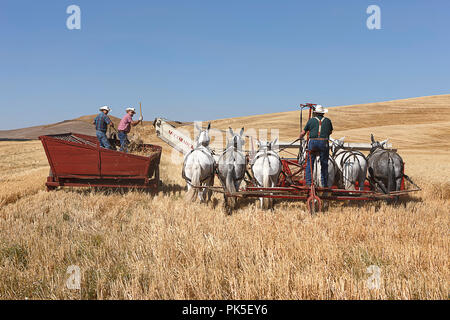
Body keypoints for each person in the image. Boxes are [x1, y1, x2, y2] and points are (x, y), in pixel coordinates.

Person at [299, 105, 333, 187]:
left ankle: (308, 182)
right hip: (323, 143)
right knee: (324, 164)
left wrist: (299, 137)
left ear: (315, 113)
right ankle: (324, 184)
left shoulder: (311, 121)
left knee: (310, 163)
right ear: (323, 113)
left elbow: (303, 132)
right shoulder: (328, 121)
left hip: (313, 143)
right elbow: (330, 132)